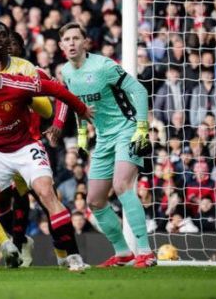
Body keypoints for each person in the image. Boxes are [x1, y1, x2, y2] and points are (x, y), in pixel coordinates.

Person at [0, 46, 92, 272]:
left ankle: (74, 257)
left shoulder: (18, 84)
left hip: (26, 147)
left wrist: (81, 109)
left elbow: (57, 89)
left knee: (46, 192)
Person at [48, 23, 156, 268]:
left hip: (127, 129)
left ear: (86, 42)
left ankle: (145, 251)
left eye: (77, 38)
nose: (72, 43)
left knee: (122, 185)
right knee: (95, 201)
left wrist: (141, 127)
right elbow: (79, 106)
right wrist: (83, 135)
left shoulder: (104, 66)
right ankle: (123, 253)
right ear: (62, 45)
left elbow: (138, 91)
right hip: (104, 137)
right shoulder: (66, 72)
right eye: (67, 39)